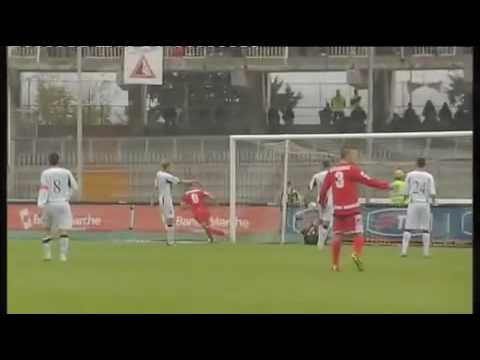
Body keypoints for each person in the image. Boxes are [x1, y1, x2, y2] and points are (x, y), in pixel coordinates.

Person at [319, 148, 391, 272]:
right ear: (347, 156)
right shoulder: (352, 170)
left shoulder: (331, 171)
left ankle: (335, 265)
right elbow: (369, 181)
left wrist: (322, 202)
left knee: (337, 236)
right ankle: (356, 254)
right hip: (352, 208)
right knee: (358, 234)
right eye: (354, 155)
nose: (356, 158)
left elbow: (324, 189)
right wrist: (386, 185)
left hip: (338, 210)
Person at [37, 152, 78, 262]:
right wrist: (67, 196)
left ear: (49, 161)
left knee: (46, 229)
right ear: (59, 161)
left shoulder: (45, 173)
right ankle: (63, 256)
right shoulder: (66, 172)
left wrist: (40, 205)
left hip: (49, 203)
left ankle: (48, 255)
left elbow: (44, 189)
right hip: (63, 204)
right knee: (63, 230)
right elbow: (75, 187)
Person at [153, 161, 196, 246]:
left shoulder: (159, 173)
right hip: (166, 199)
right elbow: (179, 181)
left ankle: (170, 240)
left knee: (170, 219)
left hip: (163, 198)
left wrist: (157, 186)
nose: (171, 168)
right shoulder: (167, 176)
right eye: (170, 166)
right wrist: (192, 181)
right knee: (170, 219)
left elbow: (156, 183)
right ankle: (170, 241)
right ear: (168, 166)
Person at [401, 158, 436, 258]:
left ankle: (404, 251)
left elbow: (406, 190)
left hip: (413, 203)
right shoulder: (429, 176)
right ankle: (425, 253)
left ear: (416, 164)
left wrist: (404, 199)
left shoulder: (410, 175)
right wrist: (433, 202)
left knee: (408, 227)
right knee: (425, 228)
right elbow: (432, 192)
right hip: (425, 203)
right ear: (425, 164)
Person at [308, 160, 333, 250]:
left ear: (322, 165)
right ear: (329, 165)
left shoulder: (317, 175)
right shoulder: (332, 174)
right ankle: (324, 242)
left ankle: (320, 243)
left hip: (320, 201)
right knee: (328, 222)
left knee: (322, 221)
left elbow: (310, 187)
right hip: (330, 201)